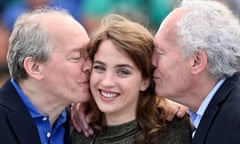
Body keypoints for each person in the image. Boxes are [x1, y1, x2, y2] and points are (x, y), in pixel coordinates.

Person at [71, 14, 192, 144]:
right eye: (99, 68)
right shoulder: (76, 127)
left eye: (123, 71)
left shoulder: (172, 129)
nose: (107, 82)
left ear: (145, 80)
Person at [151, 0, 240, 143]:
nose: (151, 62)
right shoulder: (208, 111)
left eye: (160, 52)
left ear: (196, 61)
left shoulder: (234, 124)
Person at [0, 7, 91, 144]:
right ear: (34, 67)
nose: (89, 66)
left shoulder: (84, 121)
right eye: (76, 57)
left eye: (90, 55)